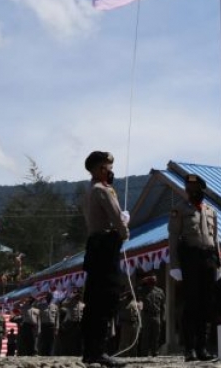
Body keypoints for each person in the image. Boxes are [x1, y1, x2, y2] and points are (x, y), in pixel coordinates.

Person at [80, 151, 129, 367]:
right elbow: (117, 219)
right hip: (106, 247)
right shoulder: (103, 190)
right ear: (101, 169)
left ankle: (90, 351)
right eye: (108, 167)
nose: (111, 171)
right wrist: (124, 229)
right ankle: (98, 351)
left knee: (93, 301)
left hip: (94, 246)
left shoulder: (89, 190)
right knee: (107, 298)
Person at [168, 173, 221, 362]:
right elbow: (173, 238)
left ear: (202, 191)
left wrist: (219, 263)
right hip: (190, 258)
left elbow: (215, 239)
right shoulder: (179, 209)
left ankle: (202, 347)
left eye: (195, 190)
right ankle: (189, 348)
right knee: (191, 304)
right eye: (189, 190)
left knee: (206, 305)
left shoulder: (210, 211)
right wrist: (175, 265)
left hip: (208, 259)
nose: (192, 193)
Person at [137, 274, 165, 357]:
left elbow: (163, 305)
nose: (153, 281)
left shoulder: (160, 291)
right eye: (151, 280)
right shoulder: (143, 290)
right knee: (145, 336)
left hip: (157, 315)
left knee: (156, 335)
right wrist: (143, 281)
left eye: (154, 280)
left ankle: (155, 352)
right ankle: (144, 353)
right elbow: (136, 289)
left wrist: (162, 317)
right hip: (146, 315)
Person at [59, 288, 85, 355]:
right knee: (71, 339)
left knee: (79, 339)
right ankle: (71, 353)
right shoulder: (70, 303)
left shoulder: (83, 305)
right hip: (71, 323)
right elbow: (63, 304)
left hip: (80, 323)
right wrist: (71, 297)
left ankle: (79, 353)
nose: (77, 295)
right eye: (76, 294)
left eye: (79, 294)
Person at [116, 289, 140, 356]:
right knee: (124, 342)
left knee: (134, 342)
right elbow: (116, 299)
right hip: (125, 323)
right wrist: (125, 293)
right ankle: (122, 355)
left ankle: (133, 355)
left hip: (135, 323)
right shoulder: (122, 302)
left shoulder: (136, 302)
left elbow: (139, 313)